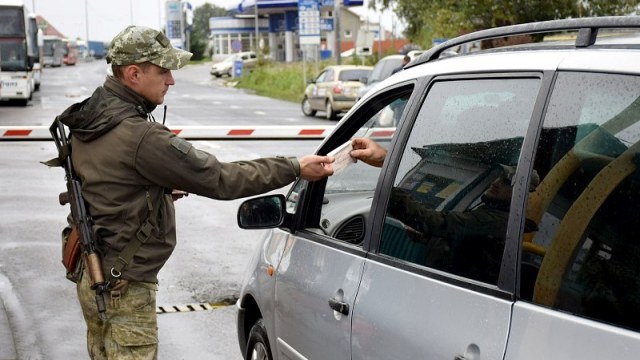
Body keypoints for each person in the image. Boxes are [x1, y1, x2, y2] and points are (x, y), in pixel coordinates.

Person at [55, 25, 334, 359]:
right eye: (163, 71)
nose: (171, 80)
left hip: (92, 271)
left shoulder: (92, 117)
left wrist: (155, 192)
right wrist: (294, 167)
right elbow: (222, 178)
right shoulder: (140, 136)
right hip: (122, 285)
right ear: (133, 74)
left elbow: (107, 185)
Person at [350, 137, 539, 283]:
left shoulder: (498, 220)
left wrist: (391, 191)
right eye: (500, 177)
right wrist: (426, 237)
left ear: (522, 195)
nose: (497, 182)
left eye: (508, 182)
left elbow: (442, 223)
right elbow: (462, 240)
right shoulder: (491, 211)